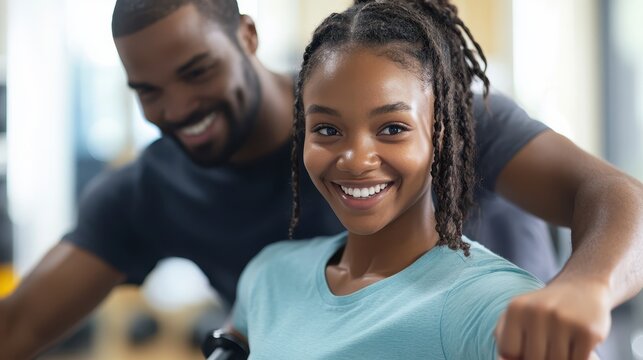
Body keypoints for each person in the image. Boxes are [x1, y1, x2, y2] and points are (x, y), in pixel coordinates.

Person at [0, 0, 640, 359]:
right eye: (147, 92)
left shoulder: (434, 103)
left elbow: (618, 199)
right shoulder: (263, 265)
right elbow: (19, 324)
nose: (175, 108)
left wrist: (581, 289)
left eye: (197, 72)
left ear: (247, 37)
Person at [229, 2, 545, 357]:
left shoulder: (489, 301)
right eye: (327, 129)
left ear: (438, 134)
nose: (356, 160)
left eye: (392, 128)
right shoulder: (269, 276)